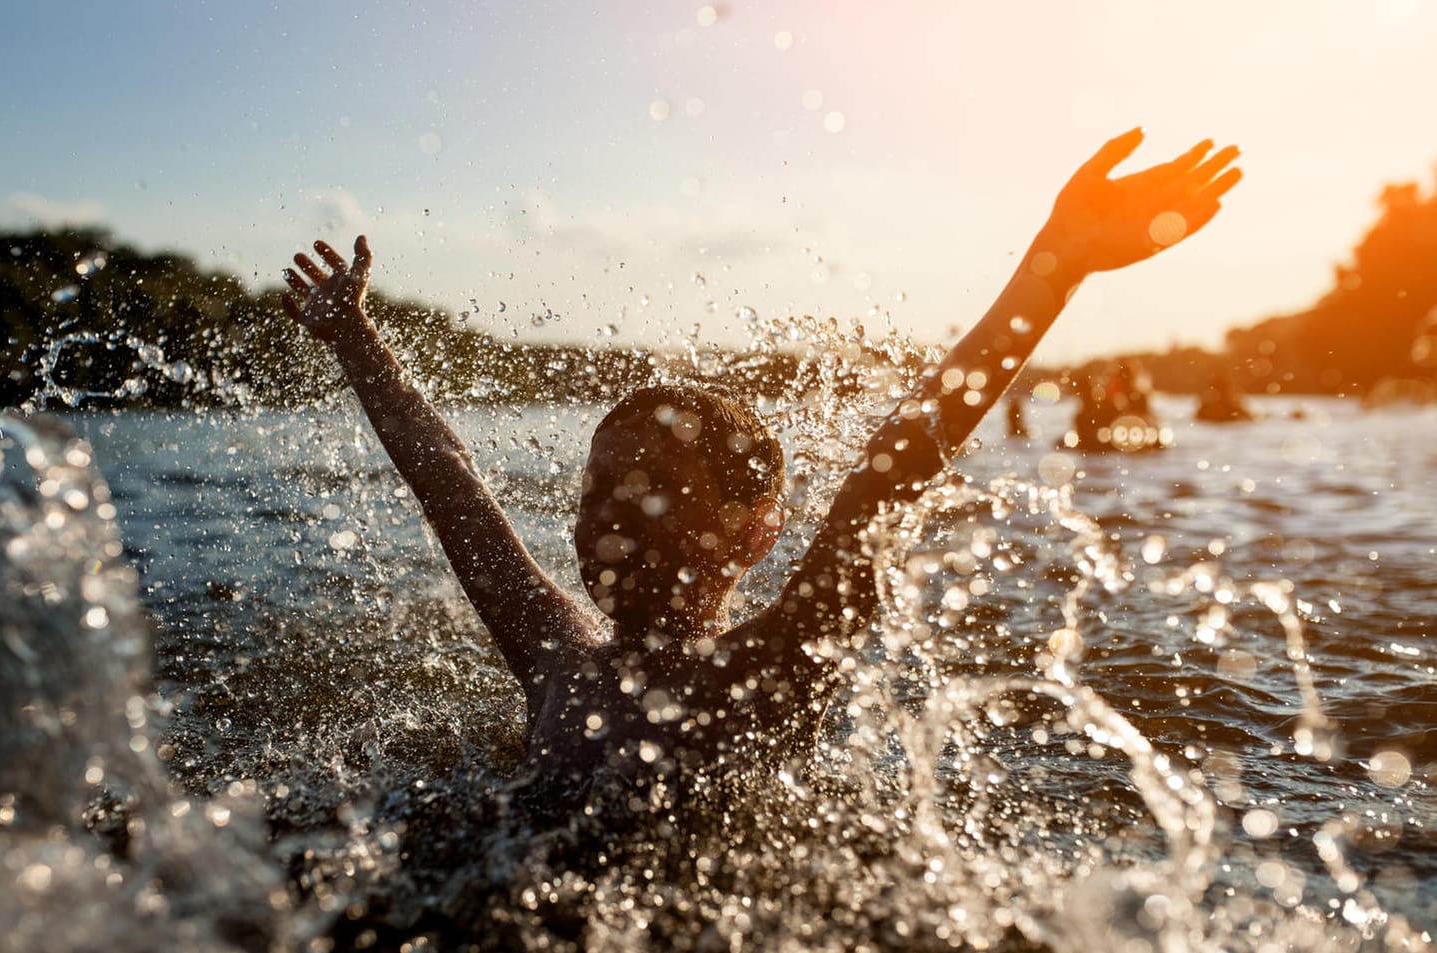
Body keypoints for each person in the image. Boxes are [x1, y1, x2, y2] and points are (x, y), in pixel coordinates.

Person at [281, 129, 1241, 799]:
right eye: (598, 487)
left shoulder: (774, 667)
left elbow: (893, 470)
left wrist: (1055, 263)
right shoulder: (554, 652)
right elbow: (449, 481)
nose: (607, 513)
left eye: (650, 490)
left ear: (754, 531)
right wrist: (358, 342)